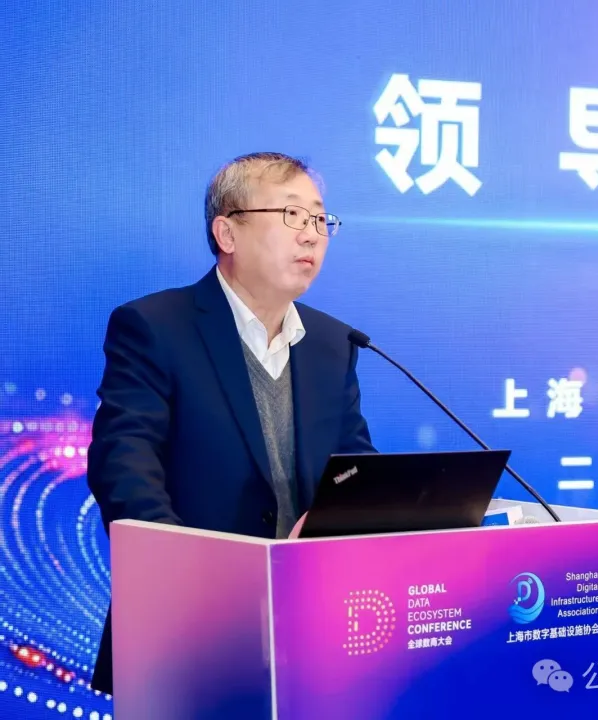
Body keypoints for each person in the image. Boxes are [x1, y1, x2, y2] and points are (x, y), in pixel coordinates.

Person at [85, 152, 377, 694]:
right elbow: (124, 466)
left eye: (320, 219)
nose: (311, 235)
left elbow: (354, 468)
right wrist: (194, 576)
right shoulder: (155, 327)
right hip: (186, 633)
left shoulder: (333, 342)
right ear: (228, 233)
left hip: (312, 629)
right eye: (292, 215)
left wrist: (347, 519)